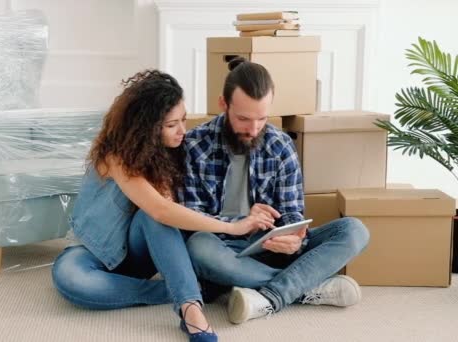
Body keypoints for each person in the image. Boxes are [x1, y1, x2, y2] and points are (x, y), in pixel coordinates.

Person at [52, 70, 260, 341]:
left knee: (155, 216)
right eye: (172, 124)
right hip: (93, 253)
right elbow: (162, 209)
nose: (182, 131)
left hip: (137, 255)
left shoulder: (167, 154)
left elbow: (165, 213)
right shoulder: (115, 156)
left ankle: (190, 309)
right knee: (72, 279)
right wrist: (231, 228)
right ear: (147, 127)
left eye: (183, 120)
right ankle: (190, 291)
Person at [178, 57, 370, 324]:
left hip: (271, 247)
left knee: (354, 230)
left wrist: (295, 240)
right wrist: (241, 222)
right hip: (223, 247)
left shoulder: (280, 144)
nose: (253, 129)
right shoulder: (194, 145)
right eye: (243, 118)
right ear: (223, 104)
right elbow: (191, 217)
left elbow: (292, 211)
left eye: (261, 118)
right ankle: (306, 288)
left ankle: (265, 295)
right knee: (198, 246)